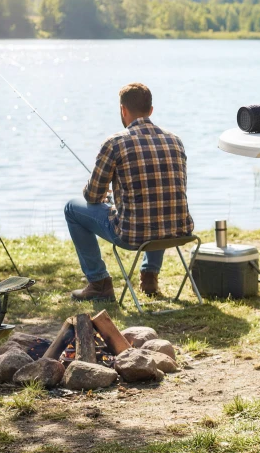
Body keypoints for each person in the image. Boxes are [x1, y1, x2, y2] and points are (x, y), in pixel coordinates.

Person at [65, 82, 194, 302]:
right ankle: (150, 277)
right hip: (178, 231)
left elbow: (93, 196)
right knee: (159, 203)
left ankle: (99, 283)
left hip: (133, 235)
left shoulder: (115, 143)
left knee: (72, 209)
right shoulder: (175, 141)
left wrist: (105, 197)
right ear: (151, 110)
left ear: (123, 110)